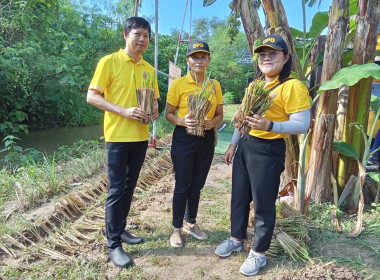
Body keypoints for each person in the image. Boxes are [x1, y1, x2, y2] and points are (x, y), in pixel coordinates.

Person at [215, 34, 311, 276]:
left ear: (286, 57)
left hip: (268, 150)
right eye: (262, 54)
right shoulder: (255, 85)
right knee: (239, 197)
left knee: (263, 203)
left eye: (273, 53)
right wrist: (233, 145)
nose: (266, 58)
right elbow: (241, 119)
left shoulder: (292, 86)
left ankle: (258, 253)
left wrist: (270, 126)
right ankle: (236, 238)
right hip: (246, 146)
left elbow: (302, 124)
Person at [86, 17, 159, 268]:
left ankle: (120, 228)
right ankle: (113, 243)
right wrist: (123, 111)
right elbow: (92, 96)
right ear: (125, 35)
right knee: (116, 190)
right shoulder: (109, 62)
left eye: (146, 36)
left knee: (129, 188)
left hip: (140, 137)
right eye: (137, 34)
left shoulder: (148, 69)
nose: (142, 39)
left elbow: (154, 101)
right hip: (117, 136)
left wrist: (154, 110)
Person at [165, 40, 223, 248]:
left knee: (197, 184)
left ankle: (191, 222)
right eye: (195, 57)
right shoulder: (179, 84)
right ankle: (176, 229)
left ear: (208, 59)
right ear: (188, 60)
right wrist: (181, 120)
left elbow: (219, 115)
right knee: (182, 185)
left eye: (203, 56)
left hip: (205, 139)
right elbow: (168, 114)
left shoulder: (214, 85)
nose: (199, 60)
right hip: (184, 138)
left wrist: (211, 123)